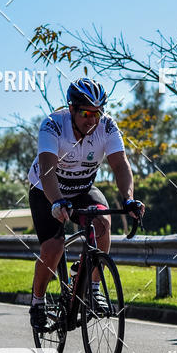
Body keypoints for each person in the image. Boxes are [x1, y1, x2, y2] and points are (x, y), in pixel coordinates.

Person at [27, 77, 144, 330]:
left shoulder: (108, 127)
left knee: (103, 222)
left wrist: (129, 199)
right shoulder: (52, 125)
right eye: (86, 113)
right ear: (71, 109)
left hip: (82, 189)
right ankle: (37, 301)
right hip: (46, 190)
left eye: (97, 113)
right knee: (54, 246)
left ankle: (92, 286)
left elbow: (120, 165)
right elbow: (47, 170)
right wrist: (57, 201)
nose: (92, 120)